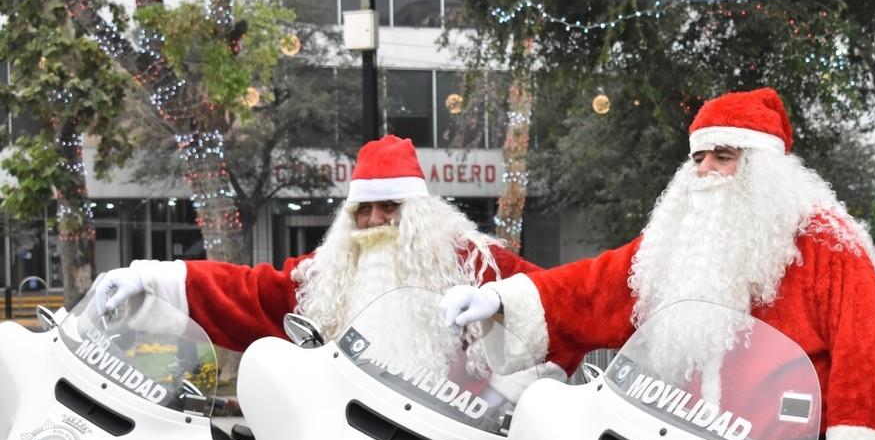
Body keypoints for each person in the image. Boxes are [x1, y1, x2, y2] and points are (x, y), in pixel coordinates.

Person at [443, 88, 875, 440]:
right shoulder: (679, 239)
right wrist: (504, 299)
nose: (704, 171)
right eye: (698, 158)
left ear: (764, 169)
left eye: (722, 156)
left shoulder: (828, 242)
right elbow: (599, 287)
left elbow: (864, 353)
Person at [93, 135, 547, 355]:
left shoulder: (474, 262)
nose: (373, 221)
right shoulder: (327, 274)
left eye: (388, 206)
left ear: (419, 211)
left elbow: (553, 296)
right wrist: (149, 280)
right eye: (362, 211)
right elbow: (250, 293)